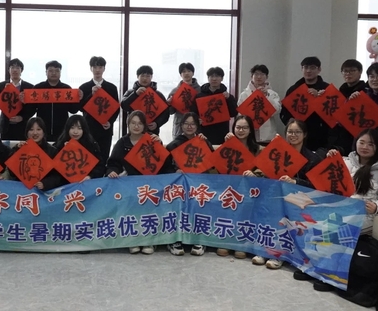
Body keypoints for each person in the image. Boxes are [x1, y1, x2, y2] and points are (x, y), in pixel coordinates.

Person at [106, 110, 171, 255]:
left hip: (150, 185)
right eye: (133, 123)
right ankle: (132, 240)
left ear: (144, 125)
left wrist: (159, 145)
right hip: (129, 185)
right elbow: (113, 163)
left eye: (140, 123)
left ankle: (149, 241)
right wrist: (112, 171)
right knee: (131, 213)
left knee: (149, 213)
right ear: (128, 124)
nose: (136, 126)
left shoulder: (152, 140)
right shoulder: (122, 142)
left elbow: (165, 164)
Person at [263, 118, 323, 269]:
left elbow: (316, 185)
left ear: (305, 134)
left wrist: (295, 181)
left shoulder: (312, 158)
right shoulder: (279, 152)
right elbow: (267, 175)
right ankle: (266, 250)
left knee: (286, 215)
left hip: (302, 199)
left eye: (297, 132)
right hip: (278, 196)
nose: (293, 135)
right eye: (290, 132)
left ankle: (280, 254)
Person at [326, 129, 378, 234]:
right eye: (362, 142)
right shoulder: (345, 164)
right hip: (340, 209)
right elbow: (327, 185)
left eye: (370, 144)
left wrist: (377, 207)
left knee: (331, 231)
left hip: (364, 216)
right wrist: (331, 161)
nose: (365, 147)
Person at [166, 111, 211, 257]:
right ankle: (174, 239)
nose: (189, 127)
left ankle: (199, 239)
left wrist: (206, 143)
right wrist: (175, 170)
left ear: (197, 126)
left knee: (199, 202)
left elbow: (212, 161)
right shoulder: (174, 144)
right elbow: (165, 166)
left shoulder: (202, 141)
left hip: (198, 185)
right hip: (179, 186)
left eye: (192, 124)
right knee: (176, 203)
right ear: (181, 125)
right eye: (186, 124)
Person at [219, 114, 262, 260]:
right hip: (229, 186)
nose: (241, 130)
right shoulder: (228, 144)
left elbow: (263, 169)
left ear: (250, 130)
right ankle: (225, 239)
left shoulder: (257, 149)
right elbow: (219, 165)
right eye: (238, 127)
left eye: (245, 128)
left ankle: (241, 241)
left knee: (246, 205)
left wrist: (254, 173)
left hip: (250, 188)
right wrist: (227, 145)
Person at [280, 56, 330, 151]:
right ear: (301, 69)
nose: (308, 71)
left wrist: (319, 98)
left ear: (319, 69)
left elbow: (333, 115)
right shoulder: (294, 89)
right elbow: (284, 113)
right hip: (297, 135)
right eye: (305, 67)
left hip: (320, 137)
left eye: (312, 67)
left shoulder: (326, 89)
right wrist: (293, 126)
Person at [0, 117, 61, 190]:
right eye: (31, 129)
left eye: (38, 129)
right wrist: (17, 150)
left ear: (43, 132)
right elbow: (11, 172)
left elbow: (57, 176)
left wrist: (45, 184)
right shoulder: (19, 148)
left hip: (43, 191)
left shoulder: (52, 151)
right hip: (21, 189)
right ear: (27, 133)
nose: (35, 133)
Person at [78, 56, 120, 163]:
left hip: (105, 129)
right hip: (89, 129)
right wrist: (91, 95)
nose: (97, 70)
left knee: (104, 157)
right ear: (91, 68)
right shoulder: (84, 87)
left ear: (104, 68)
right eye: (95, 67)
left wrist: (110, 122)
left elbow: (116, 108)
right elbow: (81, 108)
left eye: (100, 67)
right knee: (88, 159)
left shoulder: (111, 88)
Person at [30, 60, 81, 139]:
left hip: (62, 130)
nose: (54, 73)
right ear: (46, 72)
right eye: (51, 71)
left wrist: (78, 99)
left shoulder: (66, 89)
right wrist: (25, 101)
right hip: (42, 130)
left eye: (57, 71)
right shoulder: (38, 88)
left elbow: (73, 110)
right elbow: (31, 109)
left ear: (60, 73)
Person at [328, 59, 368, 155]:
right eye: (345, 71)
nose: (348, 74)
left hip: (356, 137)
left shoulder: (366, 92)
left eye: (352, 71)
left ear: (360, 72)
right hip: (337, 136)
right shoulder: (339, 92)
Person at [120, 66, 170, 136]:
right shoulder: (130, 92)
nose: (145, 78)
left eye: (147, 76)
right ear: (137, 76)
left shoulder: (158, 94)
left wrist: (157, 123)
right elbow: (124, 106)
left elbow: (166, 113)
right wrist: (135, 94)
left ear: (151, 77)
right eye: (142, 76)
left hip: (152, 131)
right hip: (134, 130)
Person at [53, 115, 105, 181]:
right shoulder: (59, 144)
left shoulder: (92, 145)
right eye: (72, 128)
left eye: (79, 128)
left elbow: (100, 167)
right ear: (67, 129)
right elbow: (52, 169)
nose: (75, 132)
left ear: (84, 130)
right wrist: (62, 152)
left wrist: (90, 176)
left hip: (85, 182)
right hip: (64, 184)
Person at [238, 64, 281, 142]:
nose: (259, 77)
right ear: (251, 76)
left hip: (267, 136)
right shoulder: (244, 94)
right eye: (256, 74)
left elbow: (276, 111)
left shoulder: (272, 94)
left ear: (266, 77)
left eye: (262, 74)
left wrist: (266, 97)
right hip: (248, 135)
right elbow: (241, 114)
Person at [195, 66, 238, 145]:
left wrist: (229, 99)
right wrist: (197, 119)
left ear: (222, 78)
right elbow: (193, 113)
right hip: (204, 132)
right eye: (211, 76)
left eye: (217, 76)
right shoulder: (199, 96)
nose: (214, 79)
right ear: (208, 78)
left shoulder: (227, 96)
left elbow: (234, 113)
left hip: (222, 132)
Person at [0, 58, 35, 140]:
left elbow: (33, 108)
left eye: (17, 68)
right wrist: (4, 93)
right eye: (12, 67)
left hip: (22, 126)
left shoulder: (29, 87)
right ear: (8, 70)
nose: (15, 70)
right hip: (6, 126)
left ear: (21, 70)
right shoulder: (2, 85)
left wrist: (22, 117)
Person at [167, 62, 201, 139]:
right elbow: (170, 112)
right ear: (180, 74)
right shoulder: (175, 91)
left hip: (195, 126)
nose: (186, 73)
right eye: (184, 71)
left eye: (189, 71)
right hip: (179, 126)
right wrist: (169, 104)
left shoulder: (200, 90)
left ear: (193, 73)